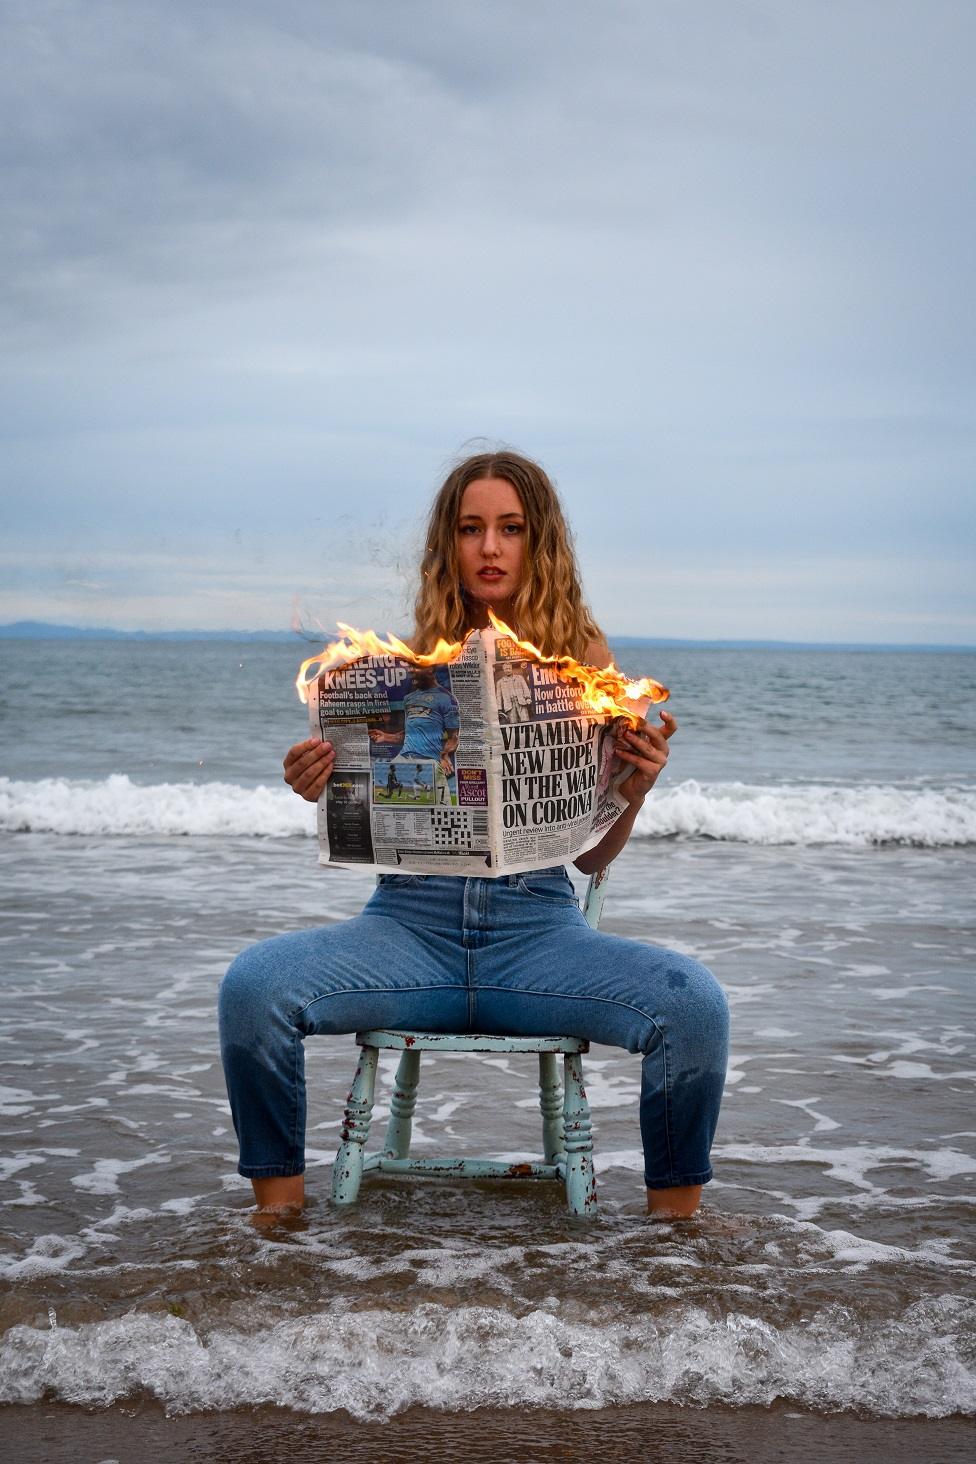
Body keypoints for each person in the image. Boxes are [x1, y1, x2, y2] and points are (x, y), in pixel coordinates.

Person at [219, 449, 729, 1222]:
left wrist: (636, 787)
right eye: (471, 528)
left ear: (540, 540)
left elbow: (590, 857)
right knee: (253, 988)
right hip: (407, 933)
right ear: (447, 545)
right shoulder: (409, 658)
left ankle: (675, 1245)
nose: (490, 548)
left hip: (537, 939)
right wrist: (321, 782)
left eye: (510, 528)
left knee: (695, 1008)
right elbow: (367, 816)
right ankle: (278, 1228)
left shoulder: (585, 662)